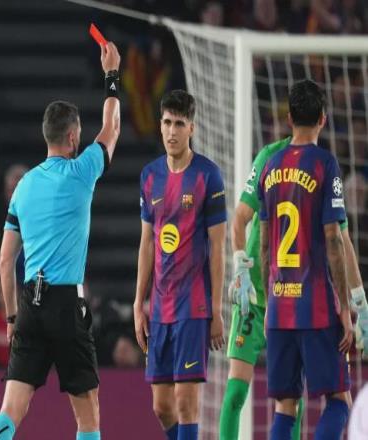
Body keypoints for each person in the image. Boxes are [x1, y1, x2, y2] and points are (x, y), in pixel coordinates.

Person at [0, 41, 121, 440]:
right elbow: (112, 128)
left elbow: (5, 260)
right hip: (65, 305)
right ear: (74, 136)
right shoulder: (81, 172)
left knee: (12, 407)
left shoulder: (23, 186)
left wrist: (12, 318)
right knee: (88, 415)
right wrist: (111, 74)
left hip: (29, 303)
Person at [219, 134, 368, 439]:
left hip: (288, 299)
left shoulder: (314, 164)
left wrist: (359, 301)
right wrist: (240, 268)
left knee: (289, 404)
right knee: (237, 393)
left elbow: (342, 240)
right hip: (255, 297)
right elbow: (240, 219)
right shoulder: (272, 158)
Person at [259, 79, 353, 440]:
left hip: (279, 305)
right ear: (323, 119)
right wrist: (344, 307)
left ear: (288, 118)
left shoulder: (270, 167)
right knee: (338, 401)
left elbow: (264, 245)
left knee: (285, 406)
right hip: (316, 307)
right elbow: (333, 239)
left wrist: (269, 300)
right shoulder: (325, 164)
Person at [134, 89, 226, 440]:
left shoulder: (208, 176)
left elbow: (218, 246)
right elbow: (147, 242)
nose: (172, 131)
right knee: (161, 406)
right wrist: (138, 303)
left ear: (192, 129)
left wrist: (216, 309)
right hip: (160, 306)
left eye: (179, 124)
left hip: (194, 305)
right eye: (167, 123)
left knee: (187, 403)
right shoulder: (149, 176)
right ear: (160, 125)